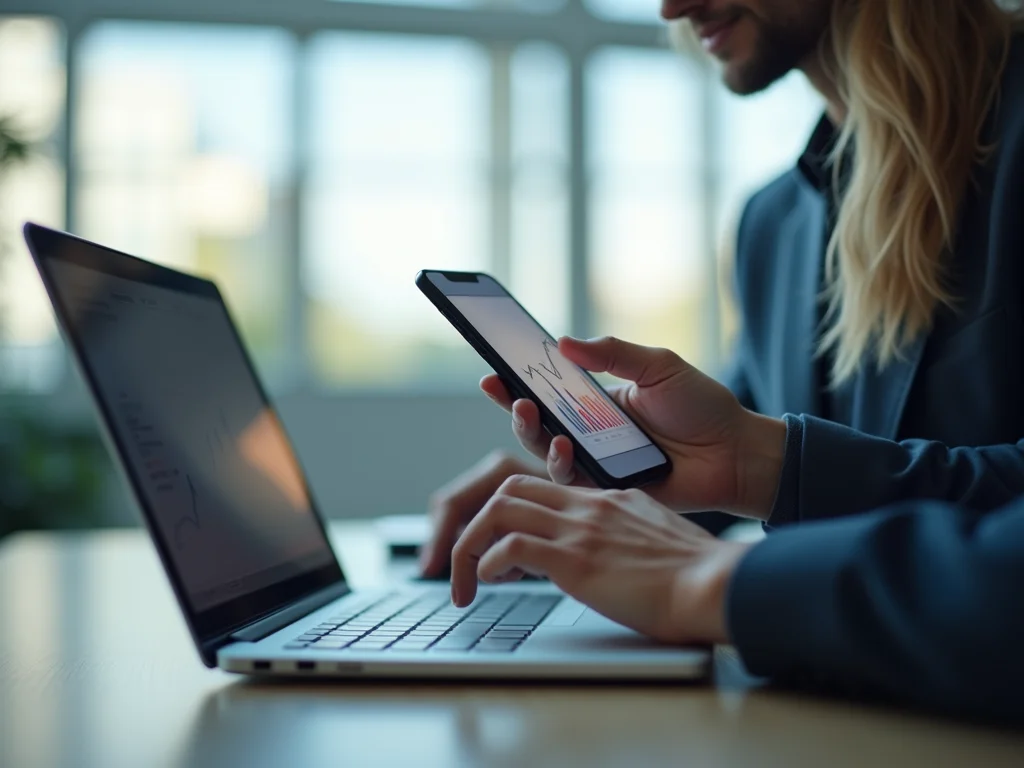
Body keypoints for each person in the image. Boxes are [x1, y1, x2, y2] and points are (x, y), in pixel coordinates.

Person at [420, 0, 1024, 577]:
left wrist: (764, 466)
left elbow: (771, 462)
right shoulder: (772, 224)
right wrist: (575, 496)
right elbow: (722, 455)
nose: (672, 9)